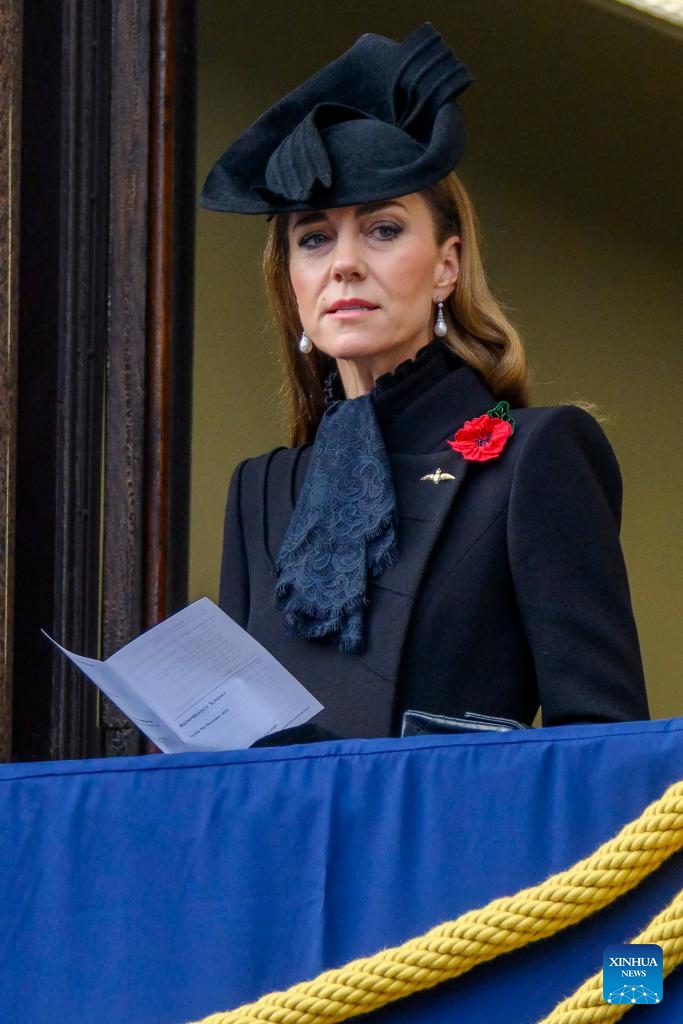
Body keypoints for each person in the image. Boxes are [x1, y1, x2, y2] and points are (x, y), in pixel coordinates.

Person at [200, 24, 649, 740]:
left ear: (446, 266)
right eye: (313, 239)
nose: (343, 264)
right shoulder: (259, 490)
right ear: (290, 285)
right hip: (288, 851)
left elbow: (600, 744)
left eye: (381, 230)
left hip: (461, 848)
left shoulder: (539, 454)